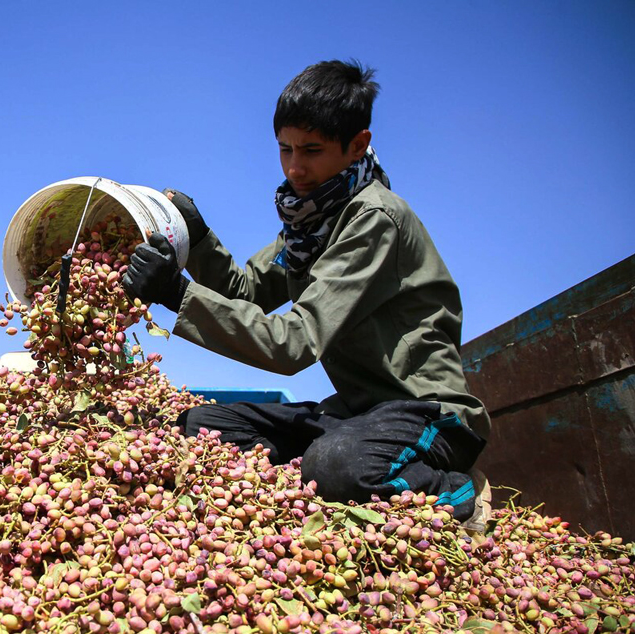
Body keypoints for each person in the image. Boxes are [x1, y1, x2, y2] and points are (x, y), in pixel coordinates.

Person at [121, 59, 491, 530]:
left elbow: (294, 343)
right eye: (285, 149)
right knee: (201, 429)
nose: (295, 168)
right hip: (357, 415)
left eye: (312, 151)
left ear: (358, 146)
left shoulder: (374, 219)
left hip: (427, 416)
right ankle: (337, 463)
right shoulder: (310, 227)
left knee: (336, 468)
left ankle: (454, 491)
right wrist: (196, 237)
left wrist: (177, 295)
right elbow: (247, 290)